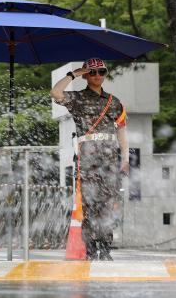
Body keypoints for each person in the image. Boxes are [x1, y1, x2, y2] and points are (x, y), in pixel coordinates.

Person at [50, 58, 129, 260]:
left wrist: (126, 158)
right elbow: (55, 93)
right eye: (92, 72)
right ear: (86, 75)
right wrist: (72, 74)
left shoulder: (114, 102)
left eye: (101, 71)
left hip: (110, 160)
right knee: (90, 204)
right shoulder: (78, 99)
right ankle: (92, 248)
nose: (97, 76)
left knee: (108, 205)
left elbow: (122, 132)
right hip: (88, 160)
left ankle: (106, 247)